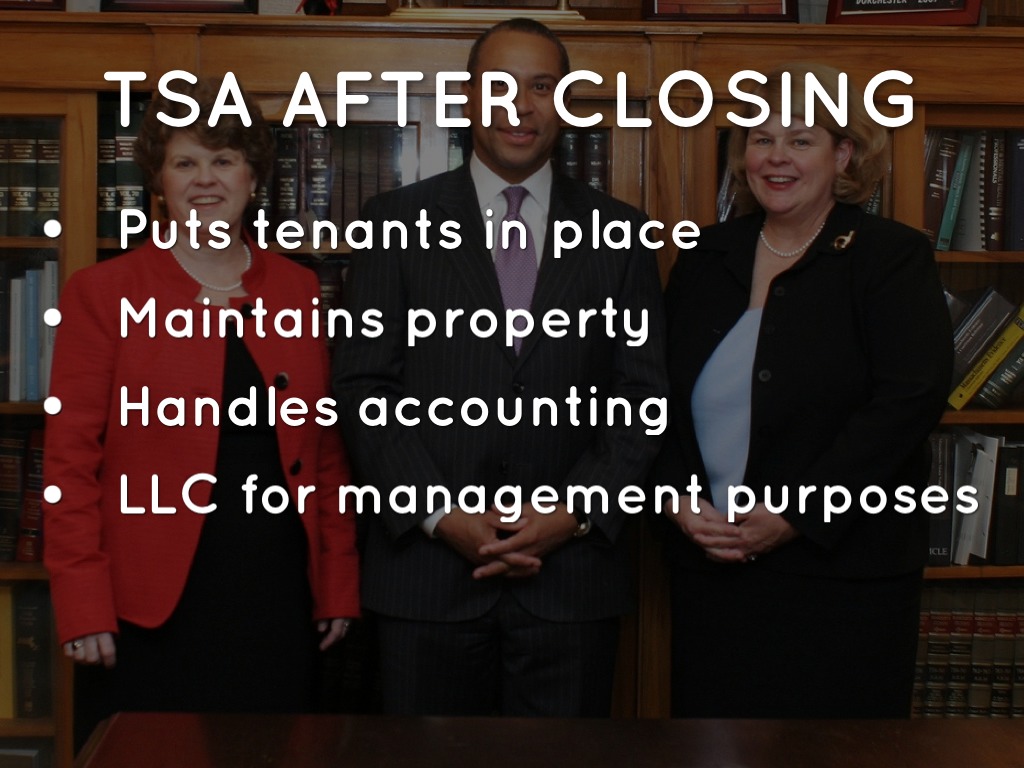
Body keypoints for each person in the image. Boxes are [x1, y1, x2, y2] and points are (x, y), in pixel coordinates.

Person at [333, 18, 668, 717]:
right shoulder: (392, 221)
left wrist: (572, 513)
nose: (520, 106)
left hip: (570, 586)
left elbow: (641, 397)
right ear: (466, 98)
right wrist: (439, 515)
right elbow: (365, 387)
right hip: (426, 582)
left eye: (541, 87)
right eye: (500, 86)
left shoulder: (625, 234)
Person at [42, 77, 359, 746]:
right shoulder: (102, 292)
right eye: (185, 162)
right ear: (159, 181)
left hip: (277, 599)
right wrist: (82, 603)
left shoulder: (298, 287)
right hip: (146, 611)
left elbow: (325, 455)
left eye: (223, 159)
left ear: (254, 175)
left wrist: (336, 585)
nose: (205, 179)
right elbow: (68, 464)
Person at [652, 63, 952, 718]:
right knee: (712, 748)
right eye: (762, 139)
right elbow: (656, 396)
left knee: (836, 753)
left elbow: (910, 399)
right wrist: (676, 497)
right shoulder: (705, 258)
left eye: (801, 139)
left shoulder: (889, 256)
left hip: (843, 574)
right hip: (712, 569)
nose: (777, 156)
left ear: (843, 154)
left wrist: (796, 514)